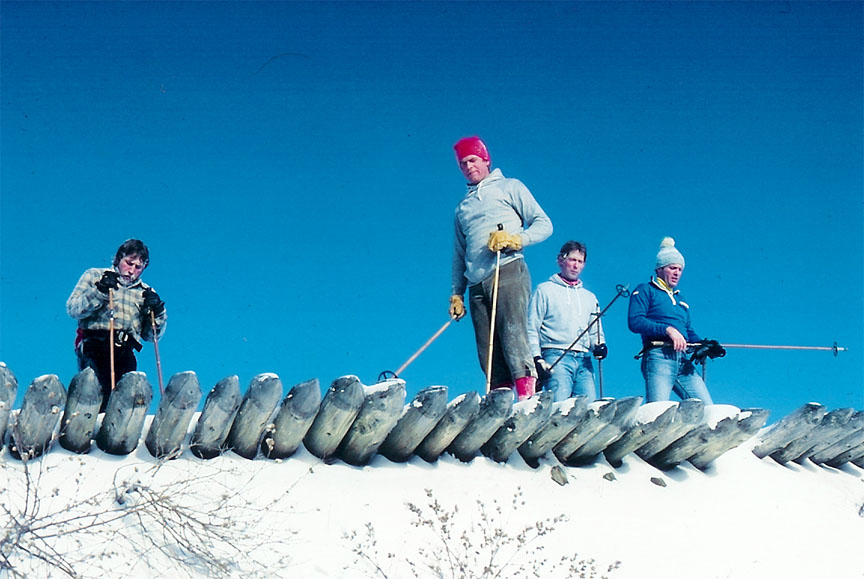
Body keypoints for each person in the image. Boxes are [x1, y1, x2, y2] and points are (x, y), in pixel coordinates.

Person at [448, 136, 552, 401]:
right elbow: (460, 253)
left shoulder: (509, 187)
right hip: (476, 283)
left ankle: (526, 396)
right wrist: (457, 293)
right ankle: (500, 401)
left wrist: (517, 239)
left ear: (485, 160)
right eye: (462, 164)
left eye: (472, 160)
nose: (468, 166)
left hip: (507, 269)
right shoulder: (463, 207)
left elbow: (544, 224)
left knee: (512, 334)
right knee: (487, 348)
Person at [67, 239, 166, 410]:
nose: (132, 270)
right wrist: (100, 291)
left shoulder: (145, 292)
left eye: (138, 267)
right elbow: (73, 308)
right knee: (94, 389)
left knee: (125, 396)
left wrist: (157, 312)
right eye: (129, 263)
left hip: (125, 349)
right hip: (96, 342)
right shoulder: (95, 275)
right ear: (119, 259)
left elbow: (151, 336)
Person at [627, 237, 724, 403]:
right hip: (659, 356)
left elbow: (687, 329)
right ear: (660, 269)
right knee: (658, 411)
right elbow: (635, 321)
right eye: (672, 268)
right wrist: (667, 330)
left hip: (683, 360)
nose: (677, 272)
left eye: (680, 269)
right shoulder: (645, 290)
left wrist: (702, 344)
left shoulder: (681, 299)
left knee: (705, 407)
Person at [527, 241, 607, 402]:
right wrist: (536, 358)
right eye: (572, 260)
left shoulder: (589, 298)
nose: (576, 265)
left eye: (580, 261)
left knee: (588, 408)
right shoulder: (545, 290)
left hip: (584, 360)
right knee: (559, 407)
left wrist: (599, 345)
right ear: (561, 260)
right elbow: (531, 327)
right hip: (556, 356)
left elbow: (595, 331)